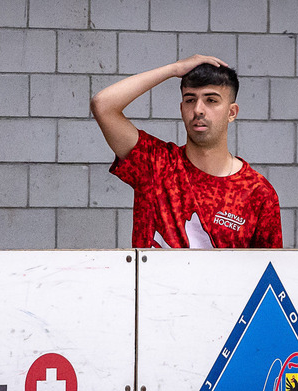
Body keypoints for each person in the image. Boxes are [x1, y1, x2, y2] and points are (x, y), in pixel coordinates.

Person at [91, 54, 282, 248]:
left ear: (231, 112)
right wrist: (174, 69)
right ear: (182, 109)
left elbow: (270, 265)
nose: (198, 109)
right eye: (190, 100)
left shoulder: (257, 192)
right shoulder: (156, 164)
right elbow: (102, 105)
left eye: (211, 100)